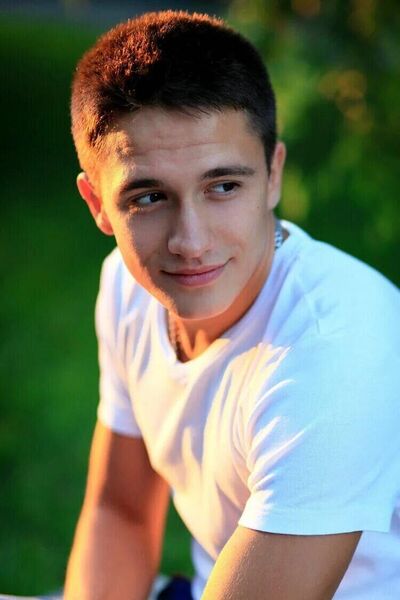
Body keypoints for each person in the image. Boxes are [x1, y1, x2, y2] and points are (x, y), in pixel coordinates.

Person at [64, 10, 400, 600]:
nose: (190, 242)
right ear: (97, 204)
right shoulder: (126, 285)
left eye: (223, 186)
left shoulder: (332, 350)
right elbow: (121, 511)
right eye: (149, 197)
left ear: (273, 175)